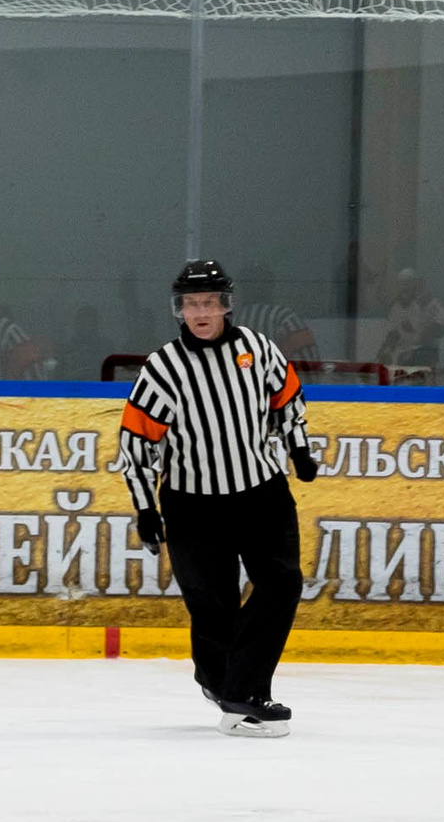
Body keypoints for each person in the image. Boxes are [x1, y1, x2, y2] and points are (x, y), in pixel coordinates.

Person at [116, 259, 316, 738]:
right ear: (179, 310)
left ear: (225, 304)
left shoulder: (257, 349)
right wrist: (145, 508)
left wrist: (300, 447)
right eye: (190, 304)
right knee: (211, 606)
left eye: (208, 302)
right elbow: (136, 442)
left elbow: (288, 399)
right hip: (193, 503)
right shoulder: (164, 367)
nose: (200, 312)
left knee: (282, 583)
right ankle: (221, 679)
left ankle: (242, 692)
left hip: (262, 492)